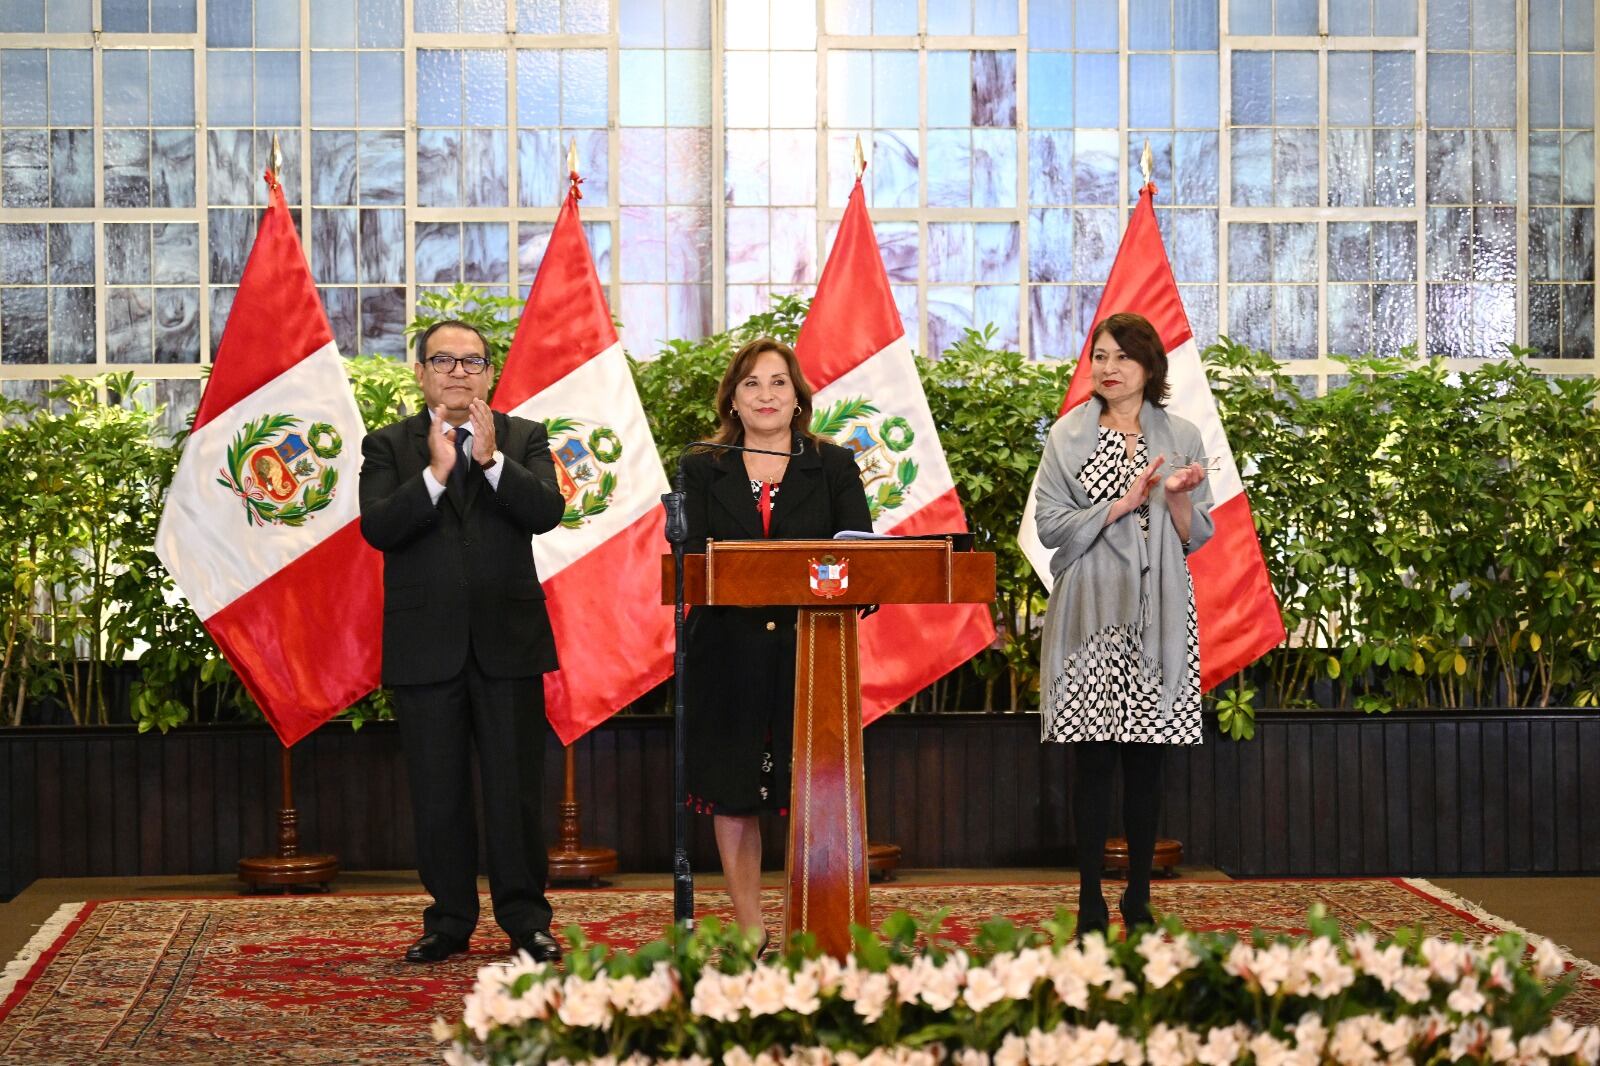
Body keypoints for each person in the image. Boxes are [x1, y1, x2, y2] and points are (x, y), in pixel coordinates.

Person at [358, 319, 566, 965]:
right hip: (426, 648)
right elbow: (379, 528)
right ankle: (448, 922)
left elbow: (546, 512)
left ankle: (527, 922)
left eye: (471, 362)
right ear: (419, 372)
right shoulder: (390, 444)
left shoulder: (523, 438)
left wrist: (488, 460)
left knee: (516, 794)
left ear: (488, 374)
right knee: (438, 793)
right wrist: (437, 474)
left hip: (509, 642)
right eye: (443, 361)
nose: (457, 372)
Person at [681, 336, 872, 951]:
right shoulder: (702, 466)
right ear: (733, 400)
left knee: (806, 797)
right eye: (751, 384)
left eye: (778, 382)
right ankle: (749, 929)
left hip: (809, 655)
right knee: (734, 794)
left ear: (798, 399)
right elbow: (690, 564)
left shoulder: (834, 464)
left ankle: (807, 928)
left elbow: (860, 562)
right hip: (725, 656)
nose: (766, 394)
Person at [1033, 311, 1214, 937]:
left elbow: (1196, 536)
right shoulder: (1067, 435)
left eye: (1121, 358)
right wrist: (1123, 504)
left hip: (1158, 610)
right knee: (1093, 761)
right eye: (1099, 357)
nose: (1108, 369)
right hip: (1090, 610)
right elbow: (1050, 526)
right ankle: (1088, 902)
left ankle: (1138, 900)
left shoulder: (1182, 435)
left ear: (1149, 367)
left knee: (1146, 761)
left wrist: (1178, 495)